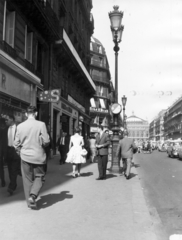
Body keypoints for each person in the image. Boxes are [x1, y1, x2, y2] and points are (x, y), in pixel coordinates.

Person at [14, 106, 50, 209]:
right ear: (36, 113)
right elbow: (46, 141)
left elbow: (16, 143)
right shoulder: (41, 124)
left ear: (26, 114)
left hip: (25, 156)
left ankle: (30, 203)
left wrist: (20, 152)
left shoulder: (20, 126)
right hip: (38, 156)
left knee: (27, 179)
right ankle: (33, 195)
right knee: (40, 176)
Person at [4, 114, 21, 195]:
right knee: (10, 170)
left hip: (15, 150)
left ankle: (12, 187)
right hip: (8, 151)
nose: (6, 121)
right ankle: (13, 183)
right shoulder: (6, 129)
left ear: (11, 119)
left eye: (7, 119)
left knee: (13, 169)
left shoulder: (18, 128)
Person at [0, 118, 7, 187]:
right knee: (1, 167)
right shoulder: (5, 129)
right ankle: (3, 181)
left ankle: (3, 181)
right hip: (2, 150)